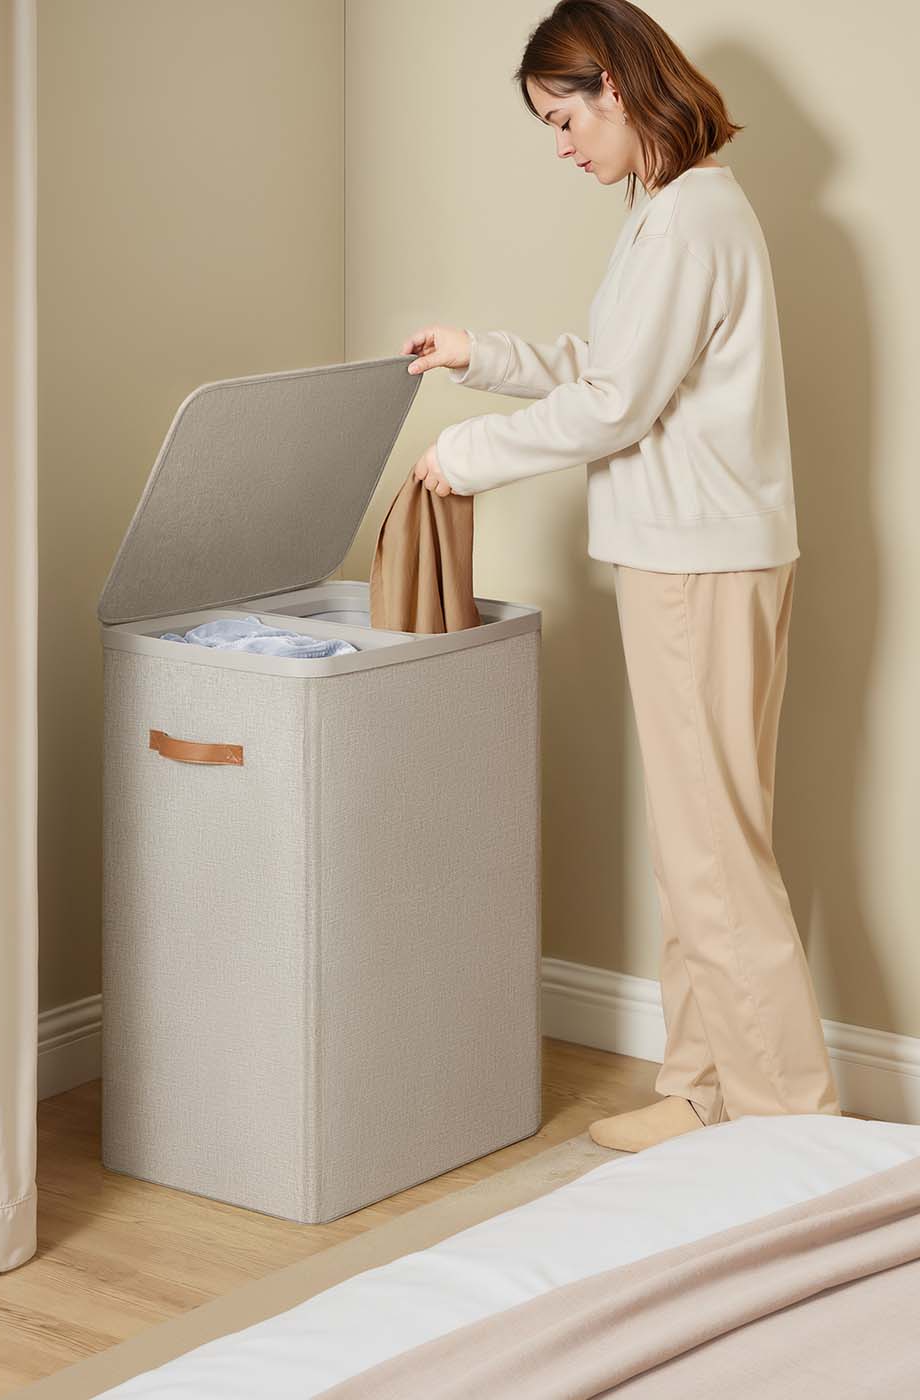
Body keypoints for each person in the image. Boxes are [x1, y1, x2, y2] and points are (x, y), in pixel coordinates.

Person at [400, 0, 842, 1154]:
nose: (560, 146)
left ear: (618, 84)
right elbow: (611, 366)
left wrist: (465, 456)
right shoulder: (671, 209)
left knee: (712, 852)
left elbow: (614, 404)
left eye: (563, 118)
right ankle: (704, 1088)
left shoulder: (689, 216)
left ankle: (793, 1132)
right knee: (701, 842)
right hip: (706, 555)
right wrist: (480, 356)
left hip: (695, 563)